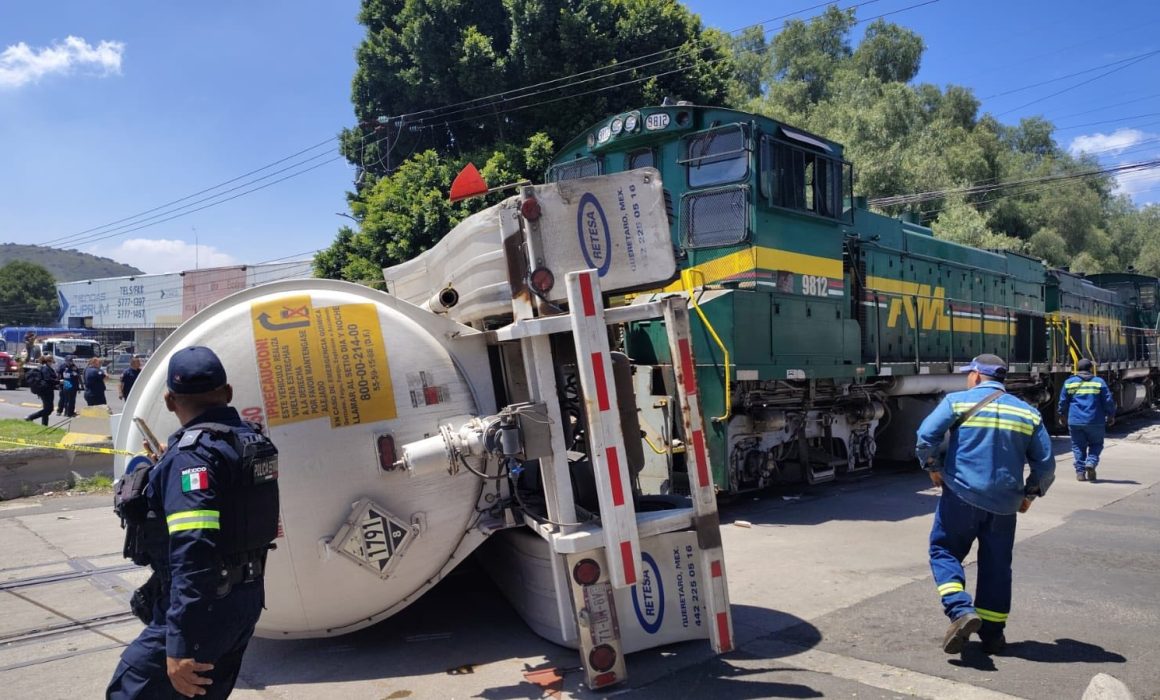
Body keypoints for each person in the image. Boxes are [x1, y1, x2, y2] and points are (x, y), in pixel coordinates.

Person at [107, 346, 279, 699]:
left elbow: (194, 550)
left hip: (203, 608)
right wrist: (167, 466)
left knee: (127, 691)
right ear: (227, 392)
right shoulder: (250, 440)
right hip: (243, 599)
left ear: (170, 401)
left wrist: (181, 643)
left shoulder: (191, 457)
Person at [915, 354, 1056, 656]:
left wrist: (933, 466)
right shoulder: (1028, 413)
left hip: (961, 497)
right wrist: (1030, 494)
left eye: (969, 374)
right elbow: (1045, 466)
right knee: (997, 566)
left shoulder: (957, 402)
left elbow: (926, 436)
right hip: (1005, 505)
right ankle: (992, 636)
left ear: (977, 376)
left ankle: (960, 610)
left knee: (944, 551)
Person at [1057, 358, 1116, 482]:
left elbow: (1063, 401)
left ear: (1077, 369)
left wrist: (1062, 415)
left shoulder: (1069, 382)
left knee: (1078, 446)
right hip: (1095, 421)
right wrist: (1111, 415)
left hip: (1075, 421)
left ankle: (1080, 473)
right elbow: (1108, 400)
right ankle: (1091, 462)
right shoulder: (1099, 382)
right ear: (1090, 369)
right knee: (1096, 444)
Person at [24, 355, 59, 425]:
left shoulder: (46, 367)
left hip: (47, 390)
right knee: (49, 409)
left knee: (46, 408)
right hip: (46, 391)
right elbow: (47, 379)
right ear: (49, 361)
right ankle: (30, 417)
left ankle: (44, 424)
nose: (52, 362)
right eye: (52, 361)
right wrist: (58, 382)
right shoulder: (45, 368)